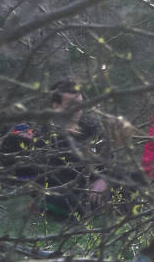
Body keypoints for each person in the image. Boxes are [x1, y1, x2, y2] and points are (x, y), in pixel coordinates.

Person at [31, 79, 112, 216]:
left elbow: (110, 159)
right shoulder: (44, 137)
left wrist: (103, 179)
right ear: (56, 106)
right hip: (63, 192)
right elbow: (43, 180)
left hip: (93, 188)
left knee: (132, 180)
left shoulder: (91, 129)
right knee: (69, 202)